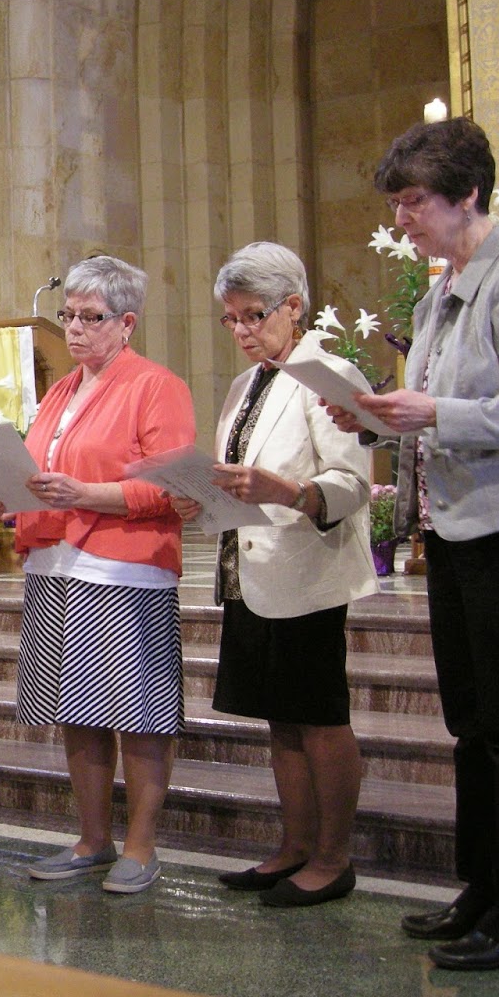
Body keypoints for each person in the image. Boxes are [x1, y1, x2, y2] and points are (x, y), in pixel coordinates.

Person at [327, 116, 499, 969]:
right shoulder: (443, 290)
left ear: (467, 194)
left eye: (413, 202)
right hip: (455, 532)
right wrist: (371, 417)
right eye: (398, 202)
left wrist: (433, 412)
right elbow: (433, 411)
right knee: (472, 725)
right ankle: (481, 890)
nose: (401, 218)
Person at [0, 254, 195, 895]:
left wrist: (84, 493)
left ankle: (140, 846)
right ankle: (93, 838)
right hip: (54, 564)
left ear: (126, 323)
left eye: (91, 318)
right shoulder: (61, 390)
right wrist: (8, 495)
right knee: (78, 712)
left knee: (139, 717)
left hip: (123, 570)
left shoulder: (156, 386)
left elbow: (170, 486)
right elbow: (43, 476)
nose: (75, 328)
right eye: (68, 315)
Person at [175, 242, 376, 908]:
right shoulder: (245, 384)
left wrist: (289, 491)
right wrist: (200, 497)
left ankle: (333, 856)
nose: (240, 331)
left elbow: (351, 485)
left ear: (294, 307)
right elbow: (240, 478)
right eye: (230, 320)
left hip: (307, 574)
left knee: (319, 718)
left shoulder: (329, 373)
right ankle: (294, 846)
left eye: (253, 316)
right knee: (280, 721)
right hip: (249, 575)